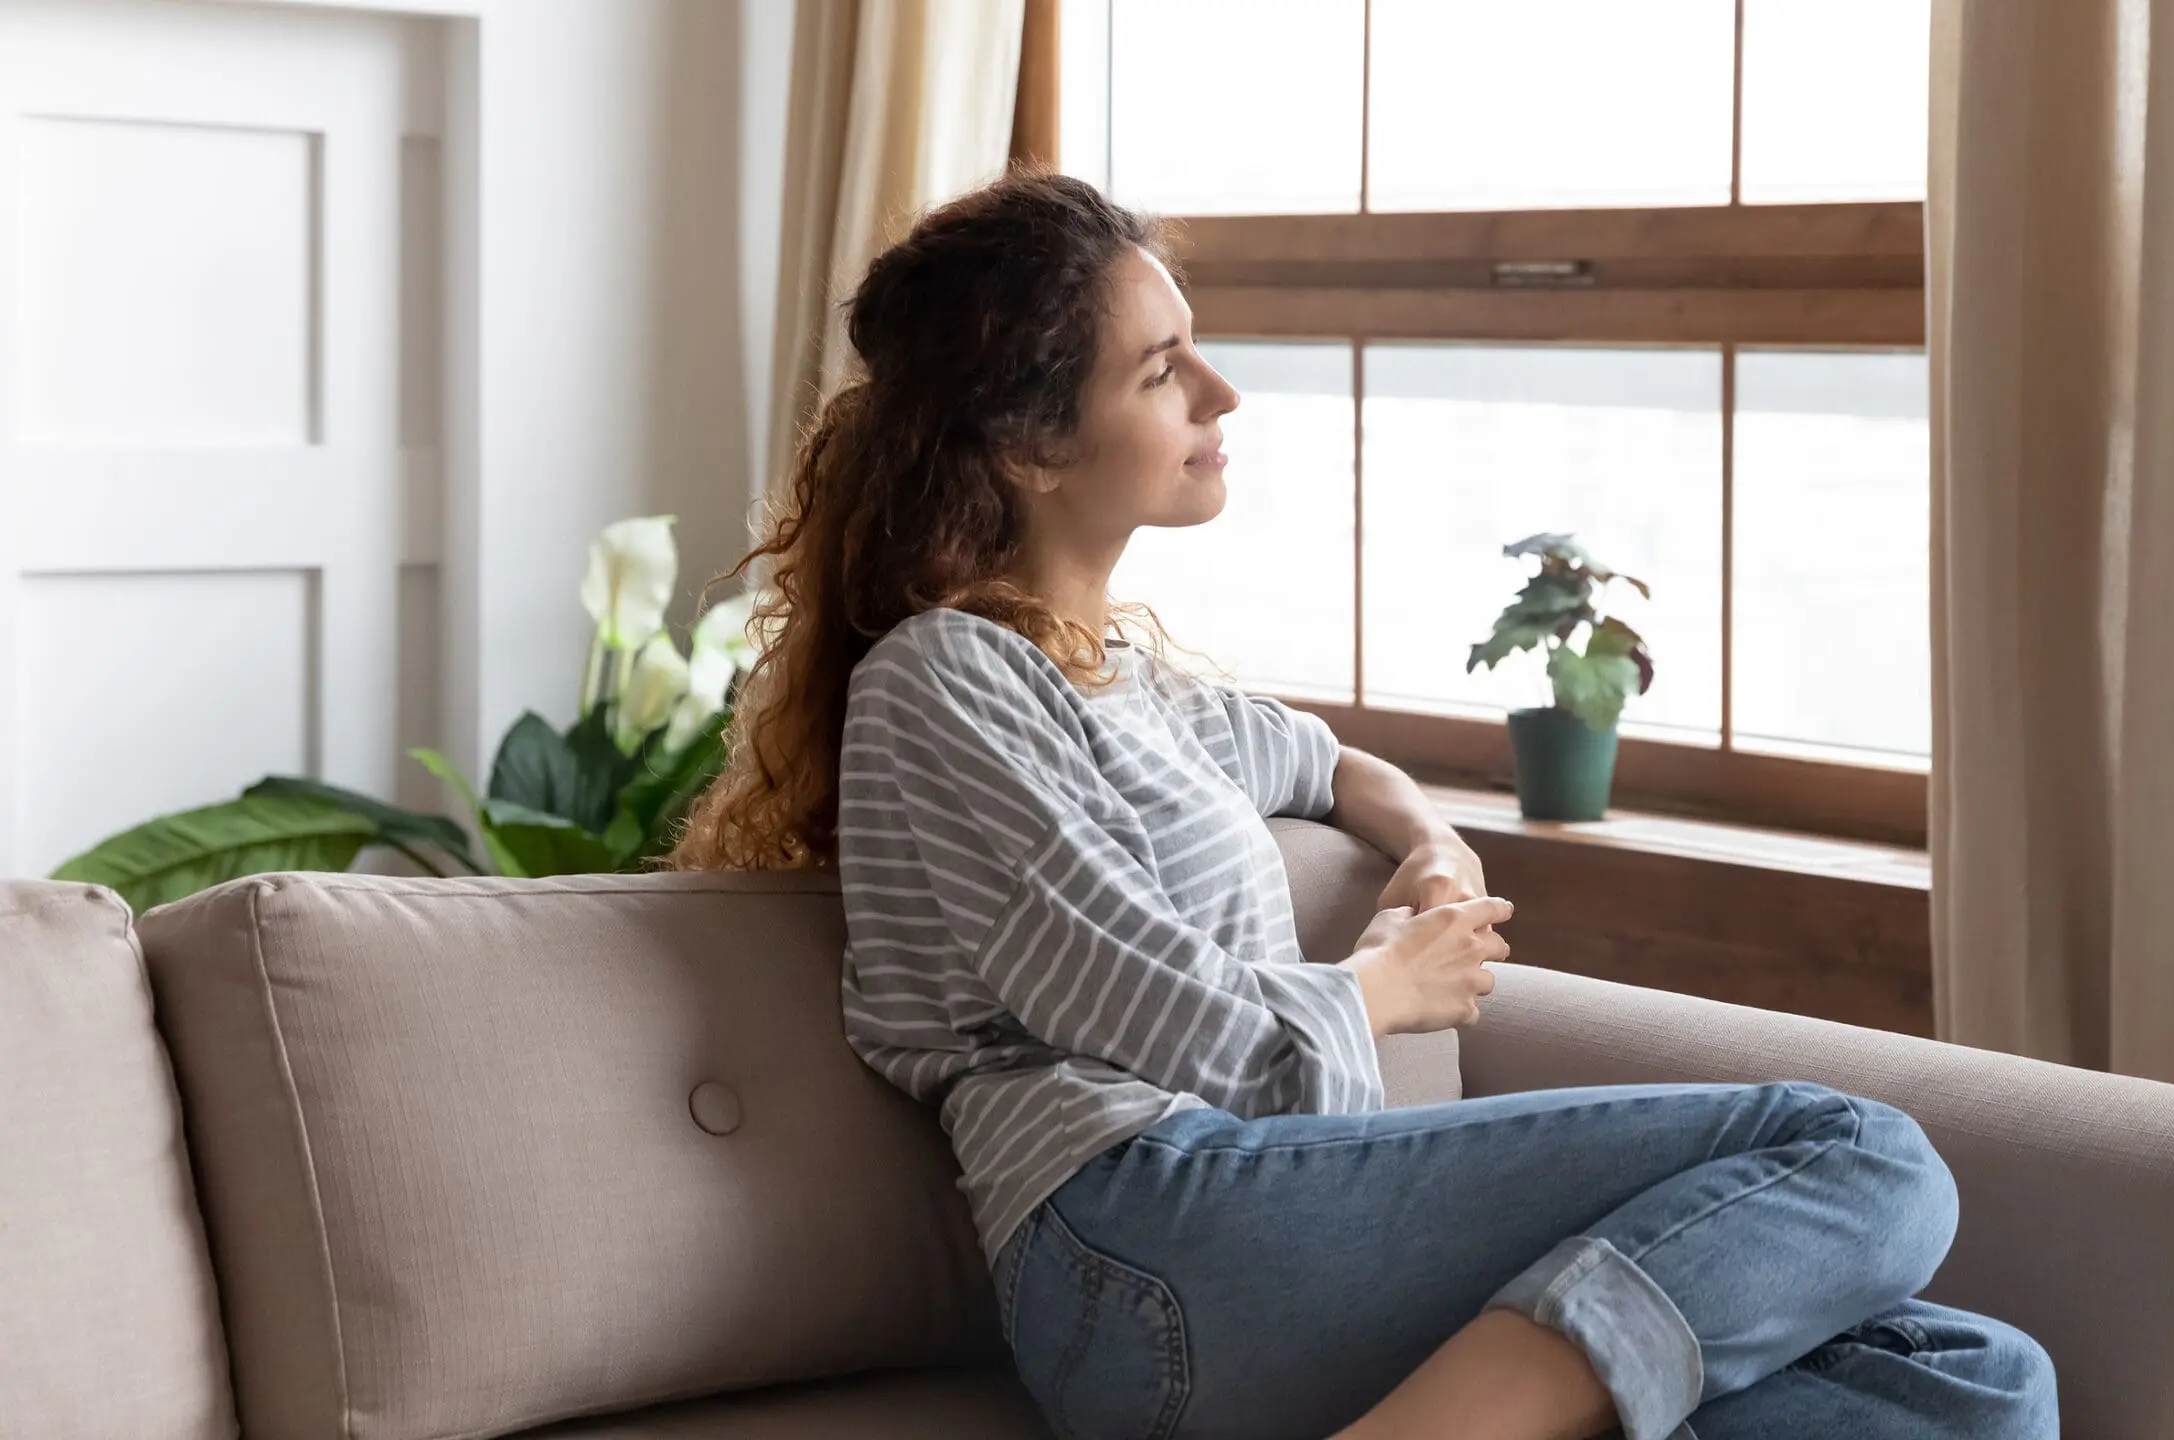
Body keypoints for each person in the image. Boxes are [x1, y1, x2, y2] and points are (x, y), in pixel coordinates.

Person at [671, 169, 2057, 1440]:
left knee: (1976, 1384)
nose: (1221, 394)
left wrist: (1432, 840)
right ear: (1031, 448)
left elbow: (1322, 762)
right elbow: (1181, 1025)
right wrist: (1388, 987)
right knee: (1859, 1150)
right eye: (1163, 372)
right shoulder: (942, 681)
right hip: (1137, 1243)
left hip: (1265, 1239)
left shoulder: (1130, 686)